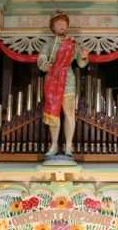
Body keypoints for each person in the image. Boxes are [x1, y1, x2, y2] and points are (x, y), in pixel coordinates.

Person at [38, 10, 89, 158]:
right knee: (53, 113)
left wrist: (84, 56)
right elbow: (41, 58)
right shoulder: (48, 45)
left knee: (70, 113)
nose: (61, 26)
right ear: (53, 27)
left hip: (68, 79)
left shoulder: (73, 44)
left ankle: (68, 146)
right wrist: (45, 64)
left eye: (64, 24)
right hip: (52, 78)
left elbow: (81, 63)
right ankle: (54, 145)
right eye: (58, 24)